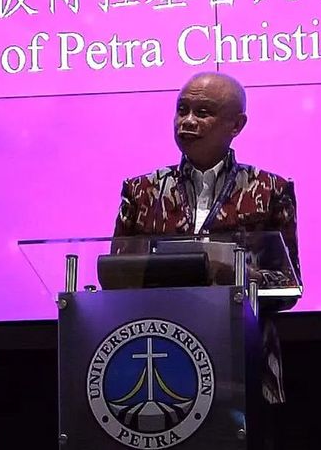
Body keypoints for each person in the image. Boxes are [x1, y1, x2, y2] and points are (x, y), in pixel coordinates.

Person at [112, 71, 302, 406]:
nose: (187, 121)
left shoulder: (270, 190)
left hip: (242, 359)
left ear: (236, 125)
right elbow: (115, 276)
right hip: (158, 351)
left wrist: (240, 274)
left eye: (202, 113)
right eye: (181, 110)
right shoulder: (142, 191)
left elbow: (289, 285)